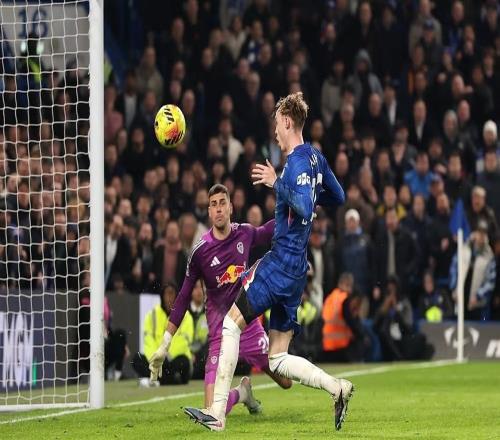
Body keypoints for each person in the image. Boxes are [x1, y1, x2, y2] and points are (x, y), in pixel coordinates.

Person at [181, 92, 352, 432]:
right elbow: (339, 196)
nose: (275, 131)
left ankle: (216, 414)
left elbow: (304, 206)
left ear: (287, 122)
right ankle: (337, 387)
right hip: (297, 270)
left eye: (276, 124)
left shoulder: (297, 163)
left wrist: (278, 183)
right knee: (277, 358)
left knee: (230, 325)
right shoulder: (316, 158)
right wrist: (309, 196)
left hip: (280, 264)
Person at [148, 183, 292, 418]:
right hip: (220, 334)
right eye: (213, 204)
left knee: (286, 382)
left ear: (230, 208)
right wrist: (165, 343)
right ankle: (242, 393)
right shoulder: (200, 252)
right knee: (211, 409)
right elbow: (183, 297)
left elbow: (268, 231)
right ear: (208, 211)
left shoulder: (244, 233)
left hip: (248, 327)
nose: (218, 208)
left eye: (222, 203)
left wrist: (295, 214)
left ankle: (246, 390)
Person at [133, 283, 194, 385]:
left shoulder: (186, 315)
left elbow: (185, 341)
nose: (169, 297)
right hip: (156, 359)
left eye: (172, 293)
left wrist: (166, 355)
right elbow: (148, 340)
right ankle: (170, 379)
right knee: (137, 359)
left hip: (174, 359)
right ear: (162, 295)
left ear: (176, 295)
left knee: (184, 362)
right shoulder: (152, 314)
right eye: (167, 293)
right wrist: (157, 357)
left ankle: (155, 378)